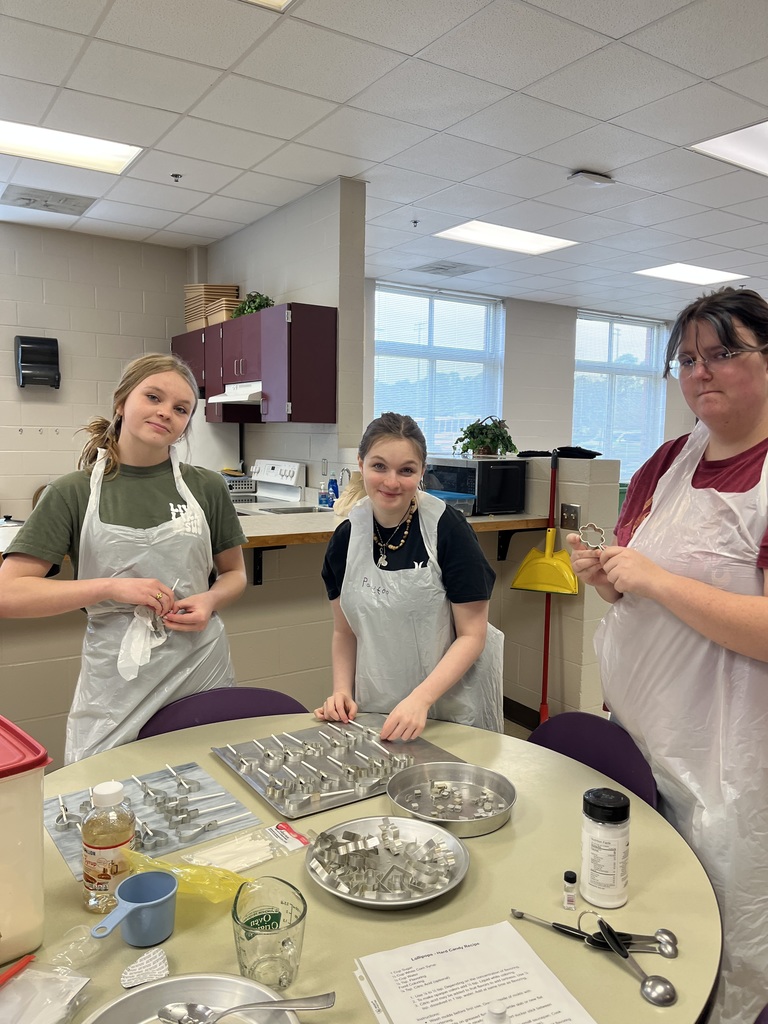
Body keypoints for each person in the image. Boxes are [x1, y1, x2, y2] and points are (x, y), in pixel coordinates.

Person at [567, 287, 768, 1024]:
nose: (700, 373)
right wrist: (610, 580)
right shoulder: (667, 463)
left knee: (727, 939)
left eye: (723, 353)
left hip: (730, 761)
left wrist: (654, 578)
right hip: (641, 737)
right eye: (686, 359)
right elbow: (634, 593)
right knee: (637, 911)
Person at [0, 353, 248, 763]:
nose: (165, 413)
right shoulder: (71, 492)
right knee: (100, 788)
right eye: (153, 397)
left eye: (181, 408)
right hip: (117, 676)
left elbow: (234, 573)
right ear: (121, 402)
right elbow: (8, 594)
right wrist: (113, 587)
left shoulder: (206, 487)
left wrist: (210, 600)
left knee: (209, 785)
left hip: (200, 664)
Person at [315, 412, 503, 741]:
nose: (391, 482)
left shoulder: (448, 531)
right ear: (361, 464)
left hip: (448, 710)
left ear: (422, 472)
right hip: (378, 708)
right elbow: (345, 631)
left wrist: (421, 699)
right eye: (379, 466)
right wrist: (342, 691)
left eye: (406, 470)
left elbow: (472, 635)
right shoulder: (346, 538)